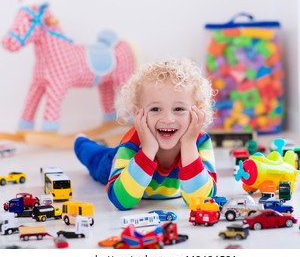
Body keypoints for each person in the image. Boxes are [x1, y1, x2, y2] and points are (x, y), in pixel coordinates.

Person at [74, 58, 217, 210]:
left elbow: (202, 201)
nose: (168, 119)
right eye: (155, 109)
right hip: (123, 169)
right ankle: (81, 141)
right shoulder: (133, 142)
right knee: (97, 158)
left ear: (198, 111)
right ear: (138, 113)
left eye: (179, 109)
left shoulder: (199, 141)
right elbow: (121, 201)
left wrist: (189, 144)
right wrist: (148, 149)